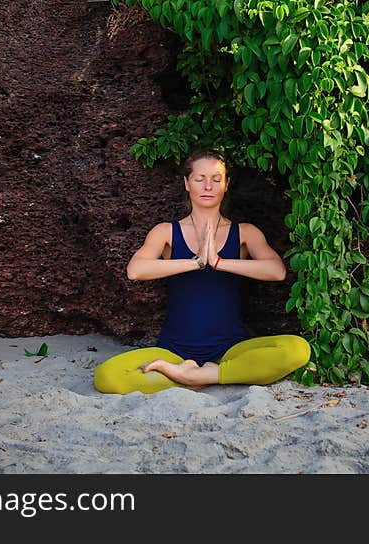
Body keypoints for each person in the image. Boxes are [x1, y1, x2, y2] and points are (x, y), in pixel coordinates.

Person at [93, 149, 311, 394]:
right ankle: (190, 372)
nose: (208, 186)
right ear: (187, 183)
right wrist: (196, 262)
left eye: (216, 179)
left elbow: (277, 270)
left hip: (230, 351)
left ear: (226, 184)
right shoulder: (166, 232)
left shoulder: (245, 232)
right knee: (107, 377)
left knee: (298, 349)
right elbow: (136, 270)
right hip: (174, 351)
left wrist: (218, 262)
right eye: (200, 179)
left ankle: (203, 375)